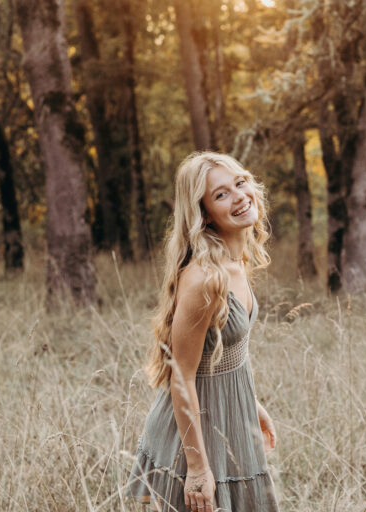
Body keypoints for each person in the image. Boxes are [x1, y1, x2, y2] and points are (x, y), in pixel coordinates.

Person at [124, 152, 280, 512]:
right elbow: (181, 375)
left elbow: (219, 354)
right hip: (194, 438)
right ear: (205, 213)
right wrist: (197, 469)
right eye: (221, 194)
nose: (239, 196)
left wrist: (251, 405)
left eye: (240, 183)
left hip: (230, 418)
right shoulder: (205, 279)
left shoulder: (234, 263)